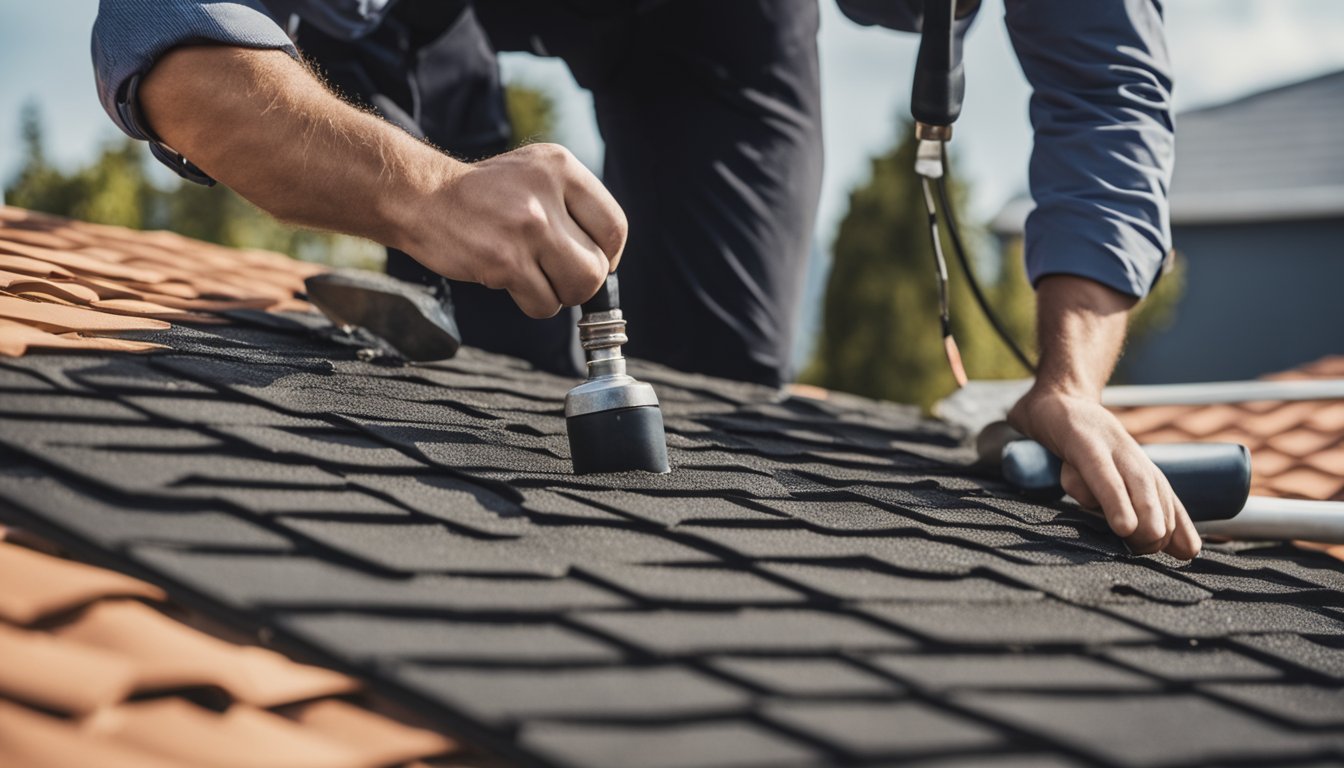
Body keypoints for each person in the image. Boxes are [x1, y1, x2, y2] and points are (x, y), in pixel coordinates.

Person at [91, 0, 1200, 560]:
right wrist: (424, 195)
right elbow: (182, 52)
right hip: (404, 17)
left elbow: (1109, 97)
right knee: (482, 308)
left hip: (713, 32)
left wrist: (1070, 380)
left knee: (711, 395)